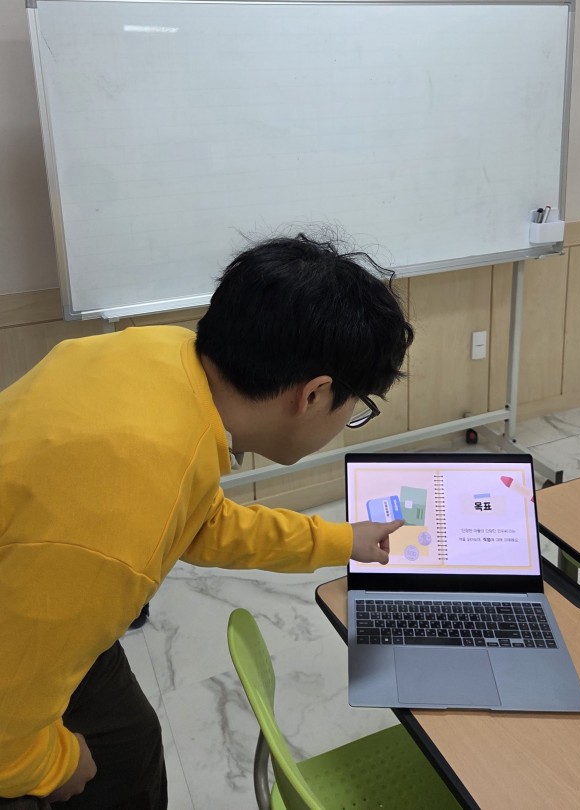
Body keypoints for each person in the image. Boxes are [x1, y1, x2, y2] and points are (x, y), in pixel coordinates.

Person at [0, 231, 414, 808]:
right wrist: (54, 765)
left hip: (39, 595)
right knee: (79, 776)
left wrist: (343, 539)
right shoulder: (125, 510)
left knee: (129, 744)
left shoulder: (159, 355)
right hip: (20, 645)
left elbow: (201, 521)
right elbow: (5, 733)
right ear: (315, 394)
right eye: (357, 407)